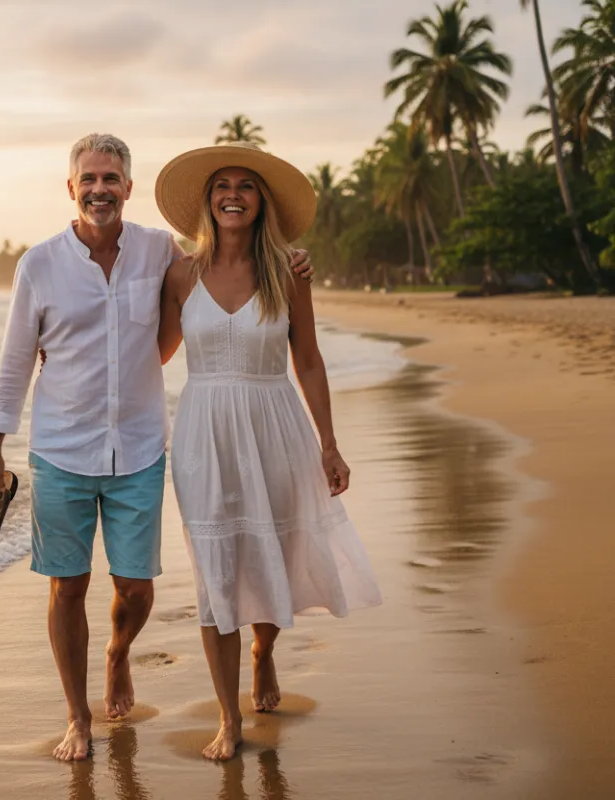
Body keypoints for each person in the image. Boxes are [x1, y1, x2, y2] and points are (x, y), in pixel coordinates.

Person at [0, 133, 313, 762]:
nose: (100, 189)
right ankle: (78, 716)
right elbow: (16, 359)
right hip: (59, 449)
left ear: (128, 188)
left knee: (136, 588)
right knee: (66, 586)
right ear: (71, 189)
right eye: (89, 179)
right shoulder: (38, 265)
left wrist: (294, 261)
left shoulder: (161, 252)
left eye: (111, 179)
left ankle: (118, 652)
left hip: (138, 448)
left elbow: (206, 297)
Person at [155, 142, 383, 762]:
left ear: (261, 203)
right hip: (204, 432)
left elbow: (306, 358)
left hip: (276, 423)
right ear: (207, 201)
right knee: (215, 570)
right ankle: (228, 719)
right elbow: (153, 353)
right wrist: (62, 353)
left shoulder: (288, 273)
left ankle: (264, 651)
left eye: (246, 186)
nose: (232, 194)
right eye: (221, 185)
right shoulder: (181, 274)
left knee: (273, 554)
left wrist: (330, 445)